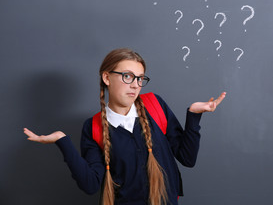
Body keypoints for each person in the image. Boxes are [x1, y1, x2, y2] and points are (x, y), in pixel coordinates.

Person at [24, 48, 226, 205]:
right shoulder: (93, 127)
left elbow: (187, 158)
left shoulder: (155, 105)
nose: (135, 84)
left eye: (140, 78)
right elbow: (90, 184)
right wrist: (62, 140)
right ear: (106, 78)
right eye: (127, 76)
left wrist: (193, 115)